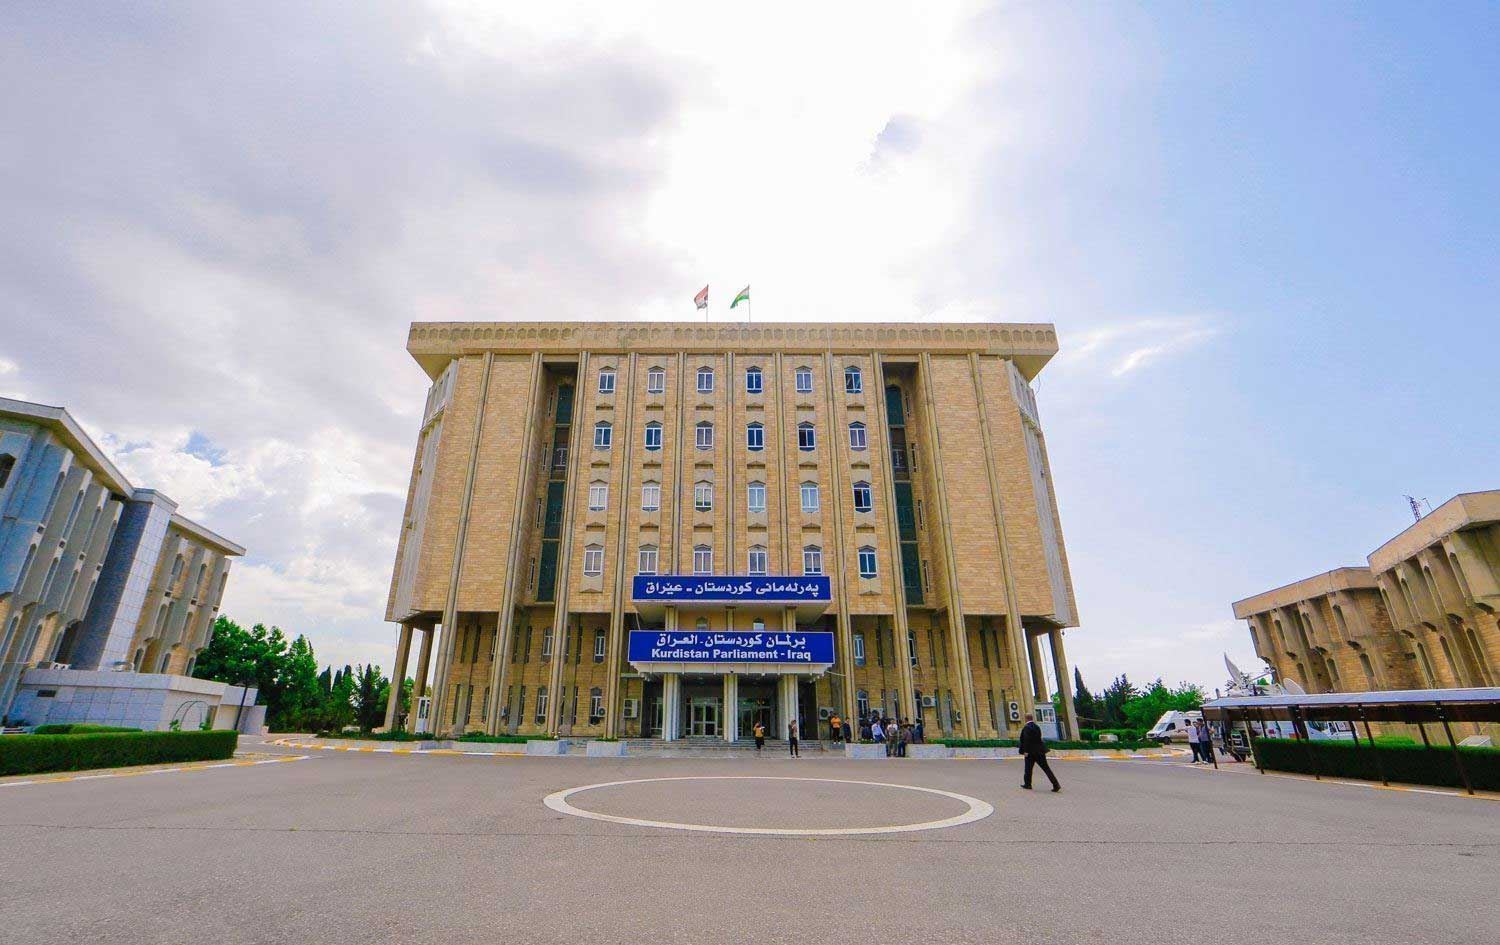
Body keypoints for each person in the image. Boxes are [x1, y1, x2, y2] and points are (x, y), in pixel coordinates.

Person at [1018, 713, 1060, 792]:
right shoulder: (1037, 727)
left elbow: (1026, 740)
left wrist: (1025, 751)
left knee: (1028, 769)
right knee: (1046, 768)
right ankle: (1056, 784)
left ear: (1026, 719)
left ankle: (1028, 784)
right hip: (1040, 751)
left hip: (1030, 753)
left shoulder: (1026, 728)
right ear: (1032, 718)